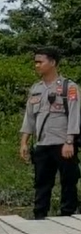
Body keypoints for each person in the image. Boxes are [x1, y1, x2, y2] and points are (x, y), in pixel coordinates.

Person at [19, 47, 80, 219]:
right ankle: (39, 217)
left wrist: (69, 141)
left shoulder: (69, 87)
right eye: (35, 62)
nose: (37, 65)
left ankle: (68, 216)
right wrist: (24, 142)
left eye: (40, 62)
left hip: (63, 144)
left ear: (52, 63)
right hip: (42, 144)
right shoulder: (36, 89)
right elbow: (29, 117)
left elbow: (75, 115)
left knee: (68, 182)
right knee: (41, 183)